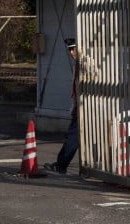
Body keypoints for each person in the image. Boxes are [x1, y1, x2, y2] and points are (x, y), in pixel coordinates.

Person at [45, 38, 79, 174]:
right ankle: (61, 164)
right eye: (70, 49)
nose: (71, 52)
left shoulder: (87, 63)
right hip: (79, 105)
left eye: (74, 49)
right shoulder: (77, 64)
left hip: (87, 107)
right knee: (74, 136)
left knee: (73, 136)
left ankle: (61, 164)